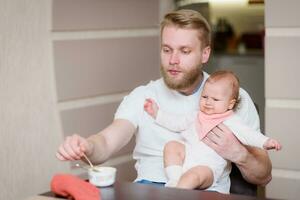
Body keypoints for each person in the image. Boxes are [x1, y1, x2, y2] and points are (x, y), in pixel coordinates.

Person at [56, 9, 272, 189]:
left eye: (184, 51)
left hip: (206, 192)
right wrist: (86, 146)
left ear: (205, 54)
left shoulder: (232, 99)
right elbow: (105, 143)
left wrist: (238, 153)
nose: (173, 60)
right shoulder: (143, 97)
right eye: (167, 50)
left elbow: (264, 177)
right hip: (148, 190)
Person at [143, 70, 281, 193]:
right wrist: (157, 114)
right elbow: (176, 122)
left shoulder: (231, 121)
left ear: (230, 104)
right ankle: (174, 181)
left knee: (194, 176)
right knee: (172, 146)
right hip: (186, 159)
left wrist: (266, 141)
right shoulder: (196, 115)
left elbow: (249, 135)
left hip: (208, 169)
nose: (208, 102)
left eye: (215, 99)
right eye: (204, 97)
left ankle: (178, 193)